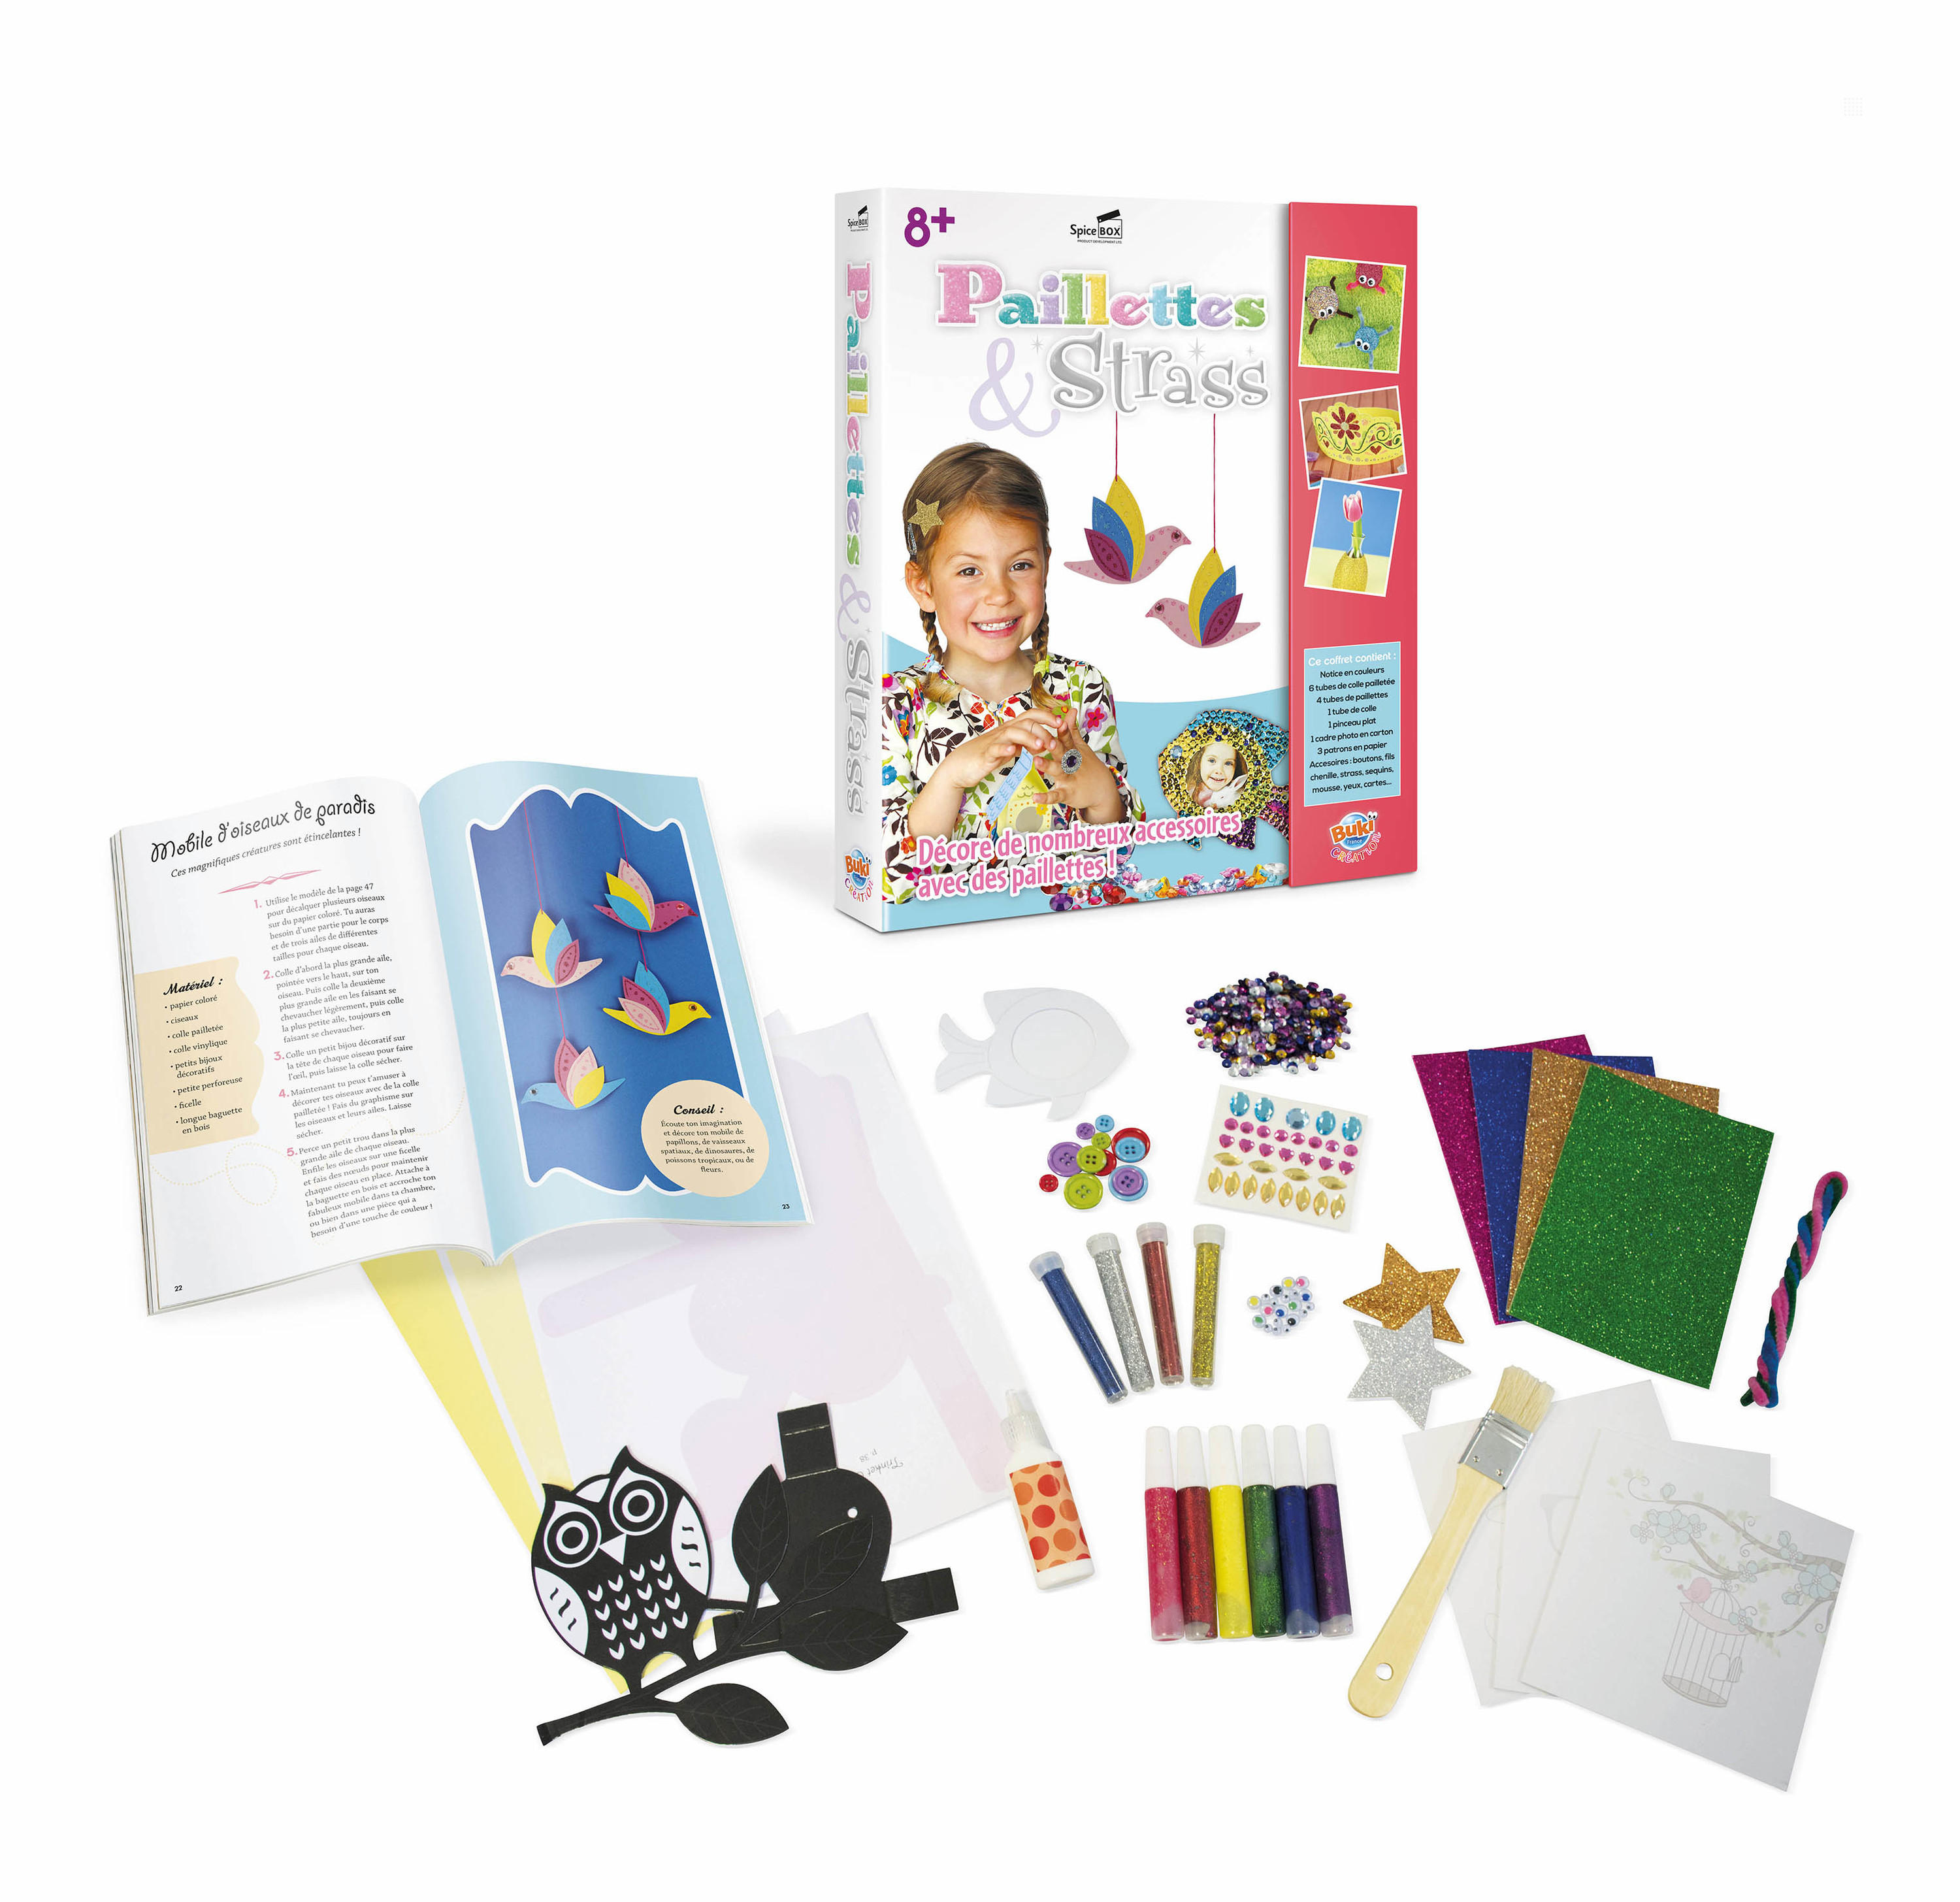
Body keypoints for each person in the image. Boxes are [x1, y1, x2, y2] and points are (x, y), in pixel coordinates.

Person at [880, 442, 1143, 903]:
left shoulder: (1081, 689)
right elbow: (890, 880)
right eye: (969, 571)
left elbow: (1115, 858)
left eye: (1020, 566)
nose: (1000, 594)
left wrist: (1100, 792)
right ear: (923, 585)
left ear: (1045, 566)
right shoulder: (897, 704)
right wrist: (951, 776)